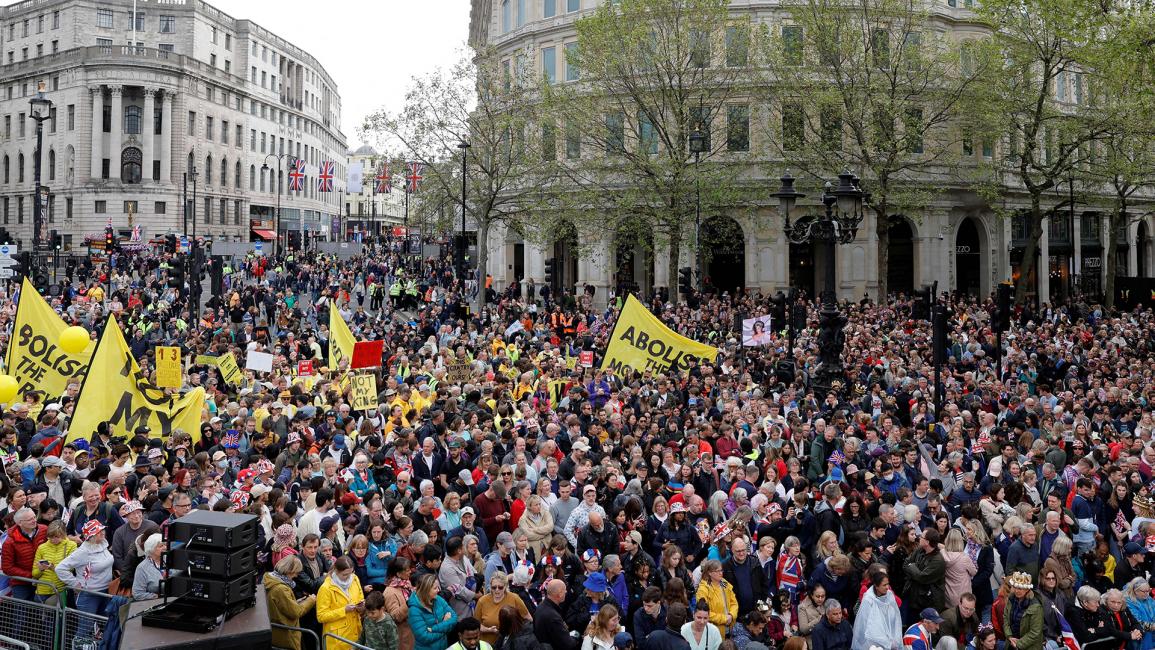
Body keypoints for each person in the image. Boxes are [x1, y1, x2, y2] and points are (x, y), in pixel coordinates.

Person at [54, 519, 115, 614]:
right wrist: (75, 584)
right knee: (86, 627)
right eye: (98, 532)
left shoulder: (103, 544)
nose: (102, 533)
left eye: (102, 530)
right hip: (89, 594)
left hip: (107, 591)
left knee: (103, 624)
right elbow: (60, 568)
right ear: (91, 537)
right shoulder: (83, 552)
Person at [267, 555, 319, 650]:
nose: (296, 576)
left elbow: (283, 605)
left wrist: (297, 601)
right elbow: (295, 612)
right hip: (286, 633)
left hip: (278, 631)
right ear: (289, 571)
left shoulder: (271, 579)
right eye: (296, 573)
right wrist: (310, 600)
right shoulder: (280, 589)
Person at [317, 556, 366, 650]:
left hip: (356, 632)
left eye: (350, 573)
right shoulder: (325, 588)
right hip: (337, 639)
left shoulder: (355, 579)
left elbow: (360, 598)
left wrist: (361, 607)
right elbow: (321, 616)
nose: (348, 577)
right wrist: (343, 610)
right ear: (336, 571)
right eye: (344, 574)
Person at [476, 571, 531, 647]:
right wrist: (488, 630)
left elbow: (528, 619)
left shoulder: (514, 598)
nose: (497, 590)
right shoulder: (482, 601)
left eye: (500, 587)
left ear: (505, 586)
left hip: (510, 645)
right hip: (487, 645)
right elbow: (476, 625)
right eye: (494, 587)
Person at [852, 570, 903, 650]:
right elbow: (865, 623)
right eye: (884, 585)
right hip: (872, 640)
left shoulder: (889, 595)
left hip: (889, 636)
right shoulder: (868, 599)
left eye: (888, 584)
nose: (887, 587)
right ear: (876, 586)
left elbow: (896, 616)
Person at [4, 506, 47, 601]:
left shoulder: (44, 530)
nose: (34, 521)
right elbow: (7, 568)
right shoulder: (10, 542)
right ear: (20, 523)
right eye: (29, 519)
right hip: (21, 583)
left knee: (40, 612)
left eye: (34, 517)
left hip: (43, 580)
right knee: (22, 613)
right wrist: (31, 575)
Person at [408, 573, 458, 650]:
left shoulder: (438, 599)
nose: (438, 590)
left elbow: (454, 618)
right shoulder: (414, 610)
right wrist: (445, 625)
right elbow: (425, 637)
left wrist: (434, 629)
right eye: (435, 588)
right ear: (426, 590)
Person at [31, 520, 75, 603]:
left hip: (59, 590)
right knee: (39, 615)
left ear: (63, 535)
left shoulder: (71, 545)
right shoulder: (42, 547)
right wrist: (40, 569)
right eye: (50, 537)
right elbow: (34, 574)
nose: (53, 539)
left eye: (57, 537)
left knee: (56, 614)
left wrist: (54, 568)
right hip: (41, 591)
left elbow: (70, 569)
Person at [695, 559, 739, 637]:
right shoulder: (704, 589)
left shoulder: (724, 583)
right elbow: (704, 612)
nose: (720, 573)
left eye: (721, 570)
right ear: (709, 573)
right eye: (717, 571)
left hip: (730, 627)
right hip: (714, 631)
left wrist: (731, 615)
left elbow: (734, 603)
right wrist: (724, 619)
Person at [1000, 572, 1042, 650]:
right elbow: (1005, 618)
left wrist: (1018, 644)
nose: (1016, 591)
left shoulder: (1036, 606)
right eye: (1015, 587)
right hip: (1011, 643)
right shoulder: (1011, 600)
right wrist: (1009, 636)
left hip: (1029, 647)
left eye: (1020, 588)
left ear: (1027, 589)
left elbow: (1035, 632)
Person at [535, 579, 580, 650]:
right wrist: (575, 636)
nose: (566, 592)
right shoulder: (553, 617)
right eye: (564, 590)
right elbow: (567, 644)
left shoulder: (541, 606)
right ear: (559, 594)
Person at [383, 558, 416, 650]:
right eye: (407, 570)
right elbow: (395, 616)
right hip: (403, 637)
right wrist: (408, 603)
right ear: (398, 574)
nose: (410, 572)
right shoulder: (389, 592)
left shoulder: (407, 584)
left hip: (413, 631)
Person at [132, 533, 166, 600]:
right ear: (151, 549)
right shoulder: (142, 568)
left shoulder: (171, 561)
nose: (165, 547)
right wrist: (158, 597)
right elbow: (137, 594)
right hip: (154, 604)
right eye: (161, 546)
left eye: (165, 544)